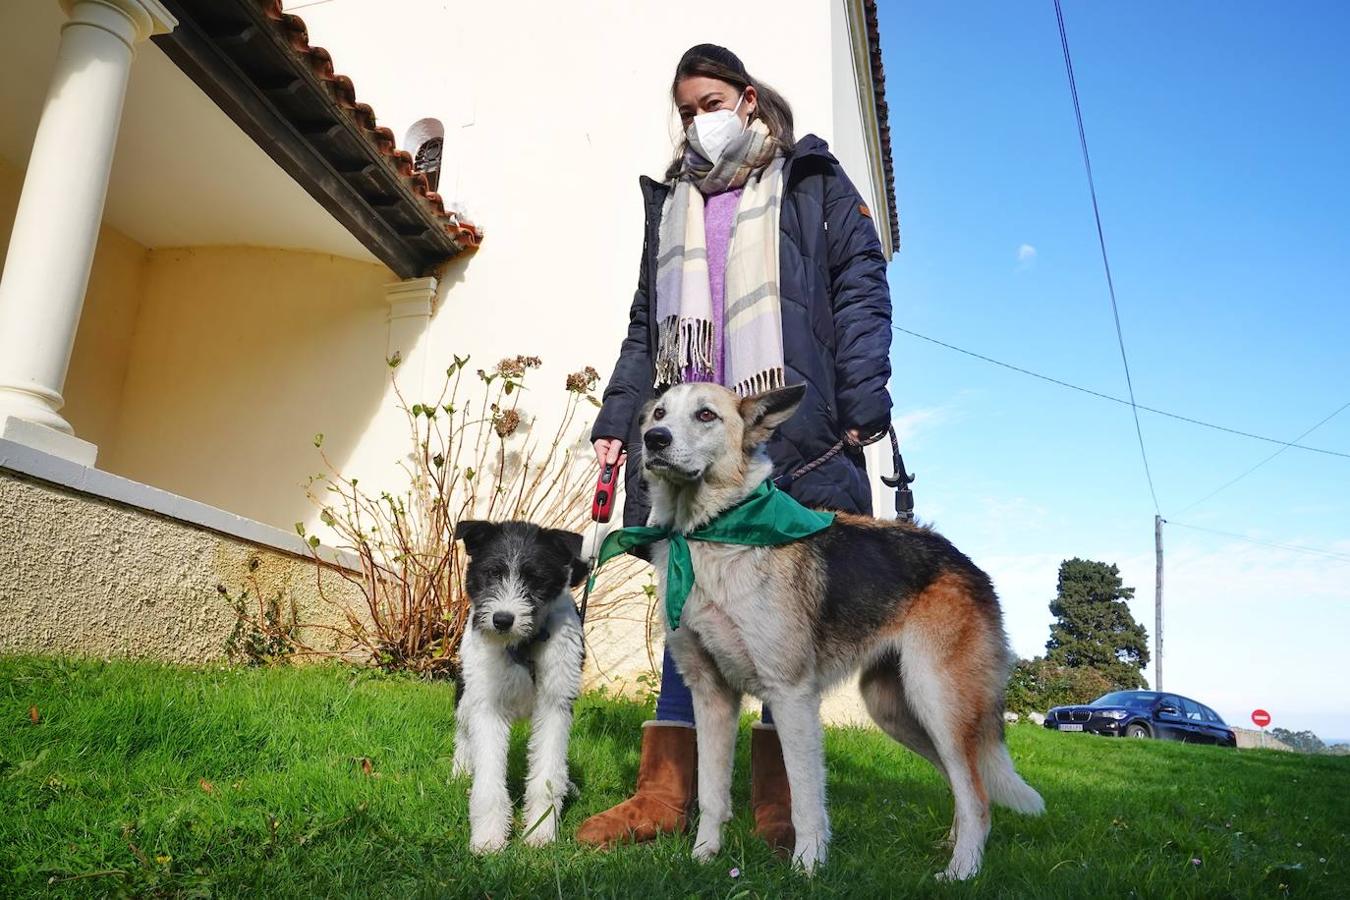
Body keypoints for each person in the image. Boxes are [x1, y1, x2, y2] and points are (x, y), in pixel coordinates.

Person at [578, 43, 893, 854]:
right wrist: (619, 421)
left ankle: (779, 803)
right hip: (686, 435)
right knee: (692, 604)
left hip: (784, 424)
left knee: (781, 618)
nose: (697, 120)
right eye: (686, 110)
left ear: (748, 100)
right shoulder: (673, 202)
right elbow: (647, 323)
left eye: (709, 102)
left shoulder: (811, 182)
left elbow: (860, 283)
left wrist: (862, 399)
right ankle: (665, 793)